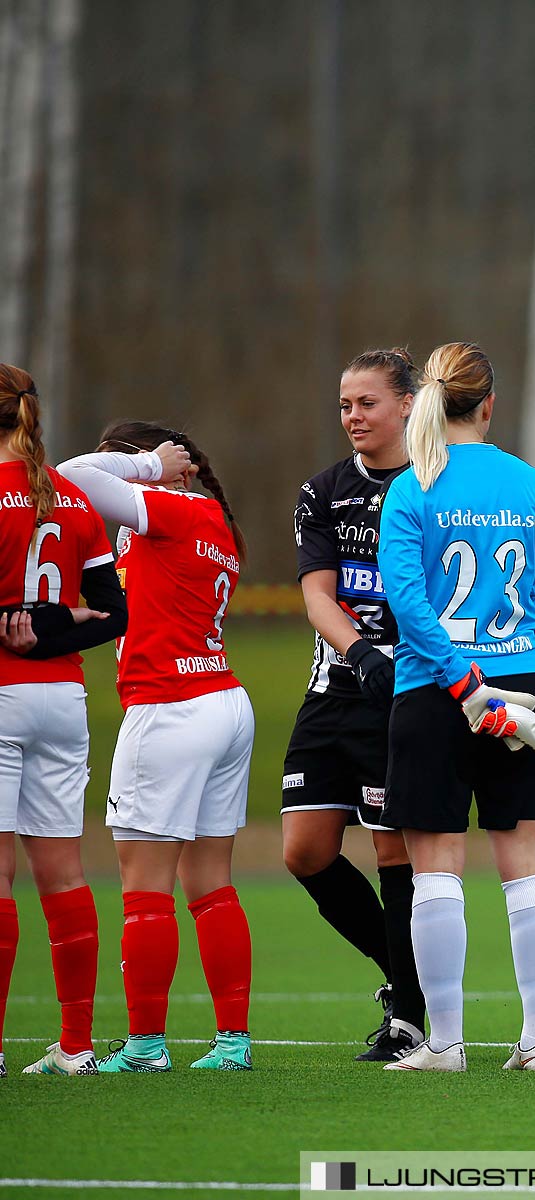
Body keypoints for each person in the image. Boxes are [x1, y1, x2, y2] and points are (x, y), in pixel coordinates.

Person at [375, 341, 535, 1073]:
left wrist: (461, 681)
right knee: (527, 865)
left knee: (436, 871)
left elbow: (408, 604)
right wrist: (485, 678)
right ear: (490, 404)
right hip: (522, 683)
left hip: (435, 691)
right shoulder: (528, 483)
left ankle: (448, 1044)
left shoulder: (412, 484)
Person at [60, 422, 256, 1072]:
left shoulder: (169, 508)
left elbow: (69, 477)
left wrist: (144, 465)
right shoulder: (211, 520)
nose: (126, 475)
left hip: (170, 707)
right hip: (221, 700)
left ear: (171, 467)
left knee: (144, 886)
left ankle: (145, 1046)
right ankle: (232, 1043)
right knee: (211, 883)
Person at [278, 348, 426, 1061]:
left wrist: (395, 661)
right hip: (334, 693)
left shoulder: (433, 485)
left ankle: (410, 1017)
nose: (353, 417)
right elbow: (316, 593)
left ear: (406, 404)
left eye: (367, 403)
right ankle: (402, 981)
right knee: (305, 852)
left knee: (393, 849)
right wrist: (358, 652)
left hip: (403, 699)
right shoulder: (324, 491)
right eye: (345, 405)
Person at [0, 365, 127, 1078]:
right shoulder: (72, 497)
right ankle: (76, 1047)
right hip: (62, 703)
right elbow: (116, 613)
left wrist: (16, 634)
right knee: (65, 877)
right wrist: (48, 635)